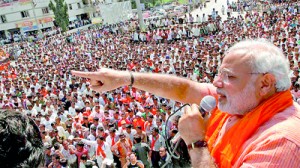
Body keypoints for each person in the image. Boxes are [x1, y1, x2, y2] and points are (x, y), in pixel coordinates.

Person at [72, 39, 300, 167]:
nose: (217, 83)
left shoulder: (282, 142)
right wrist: (126, 78)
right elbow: (184, 89)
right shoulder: (244, 101)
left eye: (229, 76)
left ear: (265, 83)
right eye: (218, 73)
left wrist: (196, 143)